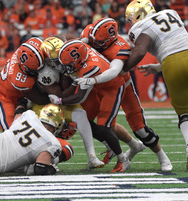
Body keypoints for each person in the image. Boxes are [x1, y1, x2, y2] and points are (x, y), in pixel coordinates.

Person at [79, 17, 172, 171]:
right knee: (90, 122)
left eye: (100, 42)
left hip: (120, 85)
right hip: (98, 87)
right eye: (94, 40)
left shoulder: (120, 47)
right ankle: (134, 146)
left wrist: (92, 80)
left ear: (111, 38)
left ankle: (162, 156)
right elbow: (79, 44)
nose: (96, 44)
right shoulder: (92, 33)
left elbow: (115, 72)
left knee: (139, 128)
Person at [123, 0, 188, 171]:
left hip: (170, 65)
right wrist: (157, 67)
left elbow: (141, 51)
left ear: (138, 15)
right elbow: (178, 46)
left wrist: (123, 69)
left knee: (185, 113)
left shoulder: (140, 26)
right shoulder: (171, 13)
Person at [50, 40, 130, 172]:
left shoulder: (89, 68)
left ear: (78, 60)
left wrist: (59, 100)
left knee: (104, 126)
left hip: (112, 88)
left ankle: (123, 159)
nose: (67, 67)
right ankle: (111, 148)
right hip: (97, 87)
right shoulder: (81, 49)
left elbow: (80, 97)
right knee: (87, 122)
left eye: (69, 64)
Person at [35, 36, 104, 169]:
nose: (61, 61)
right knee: (49, 121)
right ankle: (40, 157)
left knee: (81, 114)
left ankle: (92, 157)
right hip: (44, 102)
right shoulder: (46, 72)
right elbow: (58, 96)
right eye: (56, 60)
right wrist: (73, 80)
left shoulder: (64, 58)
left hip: (59, 100)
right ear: (48, 60)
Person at [0, 37, 49, 131]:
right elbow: (40, 99)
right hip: (4, 98)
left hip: (21, 94)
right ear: (24, 68)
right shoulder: (19, 79)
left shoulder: (33, 45)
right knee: (13, 134)